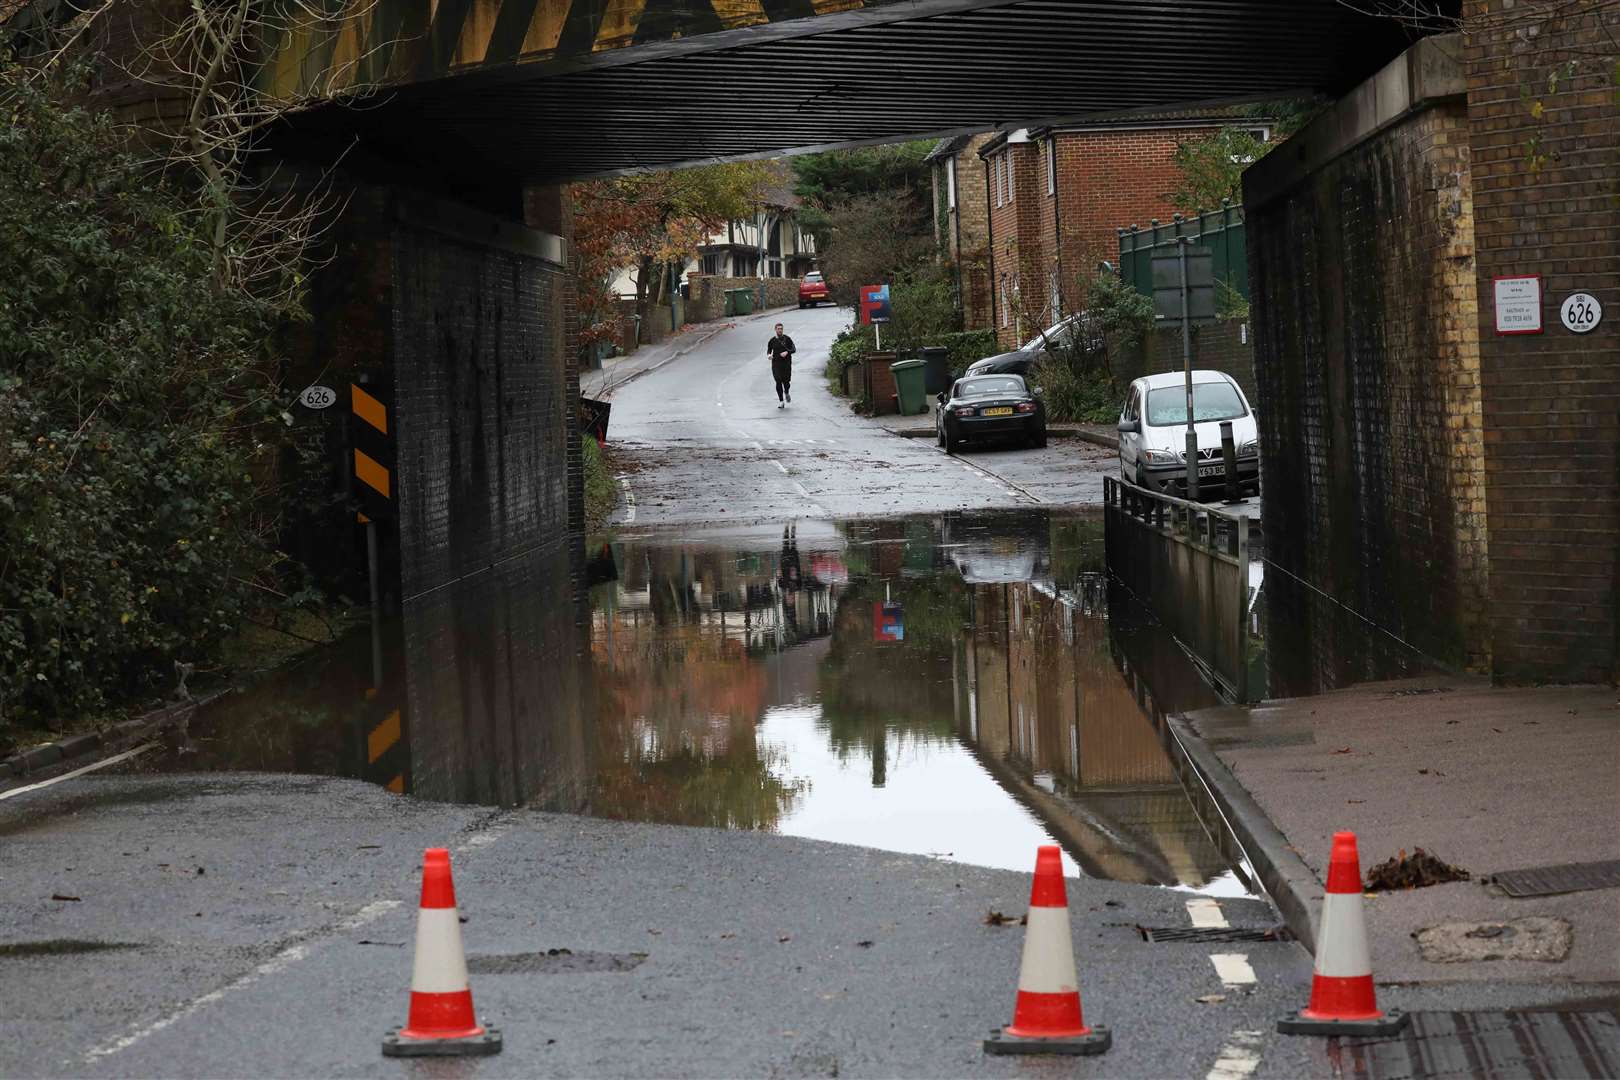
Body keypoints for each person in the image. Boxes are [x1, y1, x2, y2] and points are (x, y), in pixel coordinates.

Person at [766, 323, 795, 408]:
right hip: (776, 363)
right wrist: (768, 355)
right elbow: (769, 350)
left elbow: (794, 349)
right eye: (778, 329)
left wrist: (787, 352)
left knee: (786, 382)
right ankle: (781, 401)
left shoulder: (787, 339)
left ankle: (786, 392)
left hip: (786, 364)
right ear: (775, 330)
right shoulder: (772, 340)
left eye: (781, 328)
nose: (780, 330)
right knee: (778, 381)